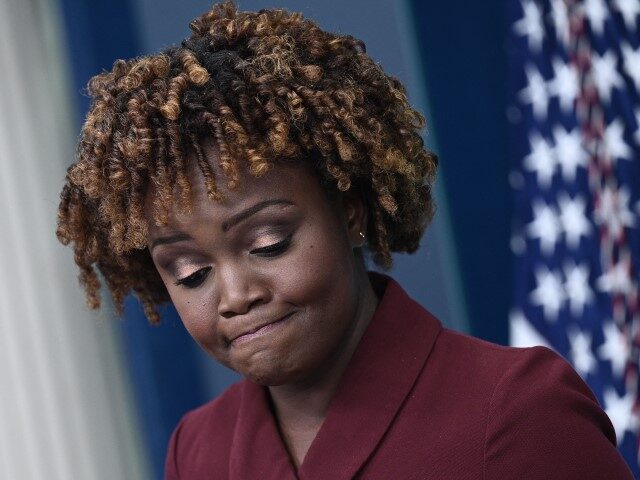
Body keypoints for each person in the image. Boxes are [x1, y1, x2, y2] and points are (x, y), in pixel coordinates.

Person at [56, 2, 633, 478]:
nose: (234, 295)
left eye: (267, 241)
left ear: (350, 211)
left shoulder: (515, 412)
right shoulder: (199, 450)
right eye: (189, 272)